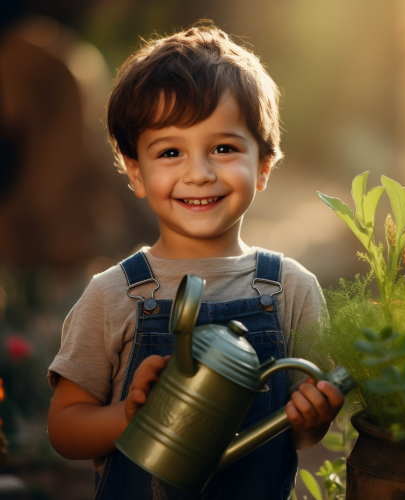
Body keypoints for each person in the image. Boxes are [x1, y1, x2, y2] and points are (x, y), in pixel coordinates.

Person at [47, 22, 344, 500]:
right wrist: (127, 415)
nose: (199, 173)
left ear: (264, 165)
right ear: (136, 172)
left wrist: (314, 417)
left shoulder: (290, 288)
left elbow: (304, 434)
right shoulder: (114, 294)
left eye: (223, 148)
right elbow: (64, 429)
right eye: (170, 152)